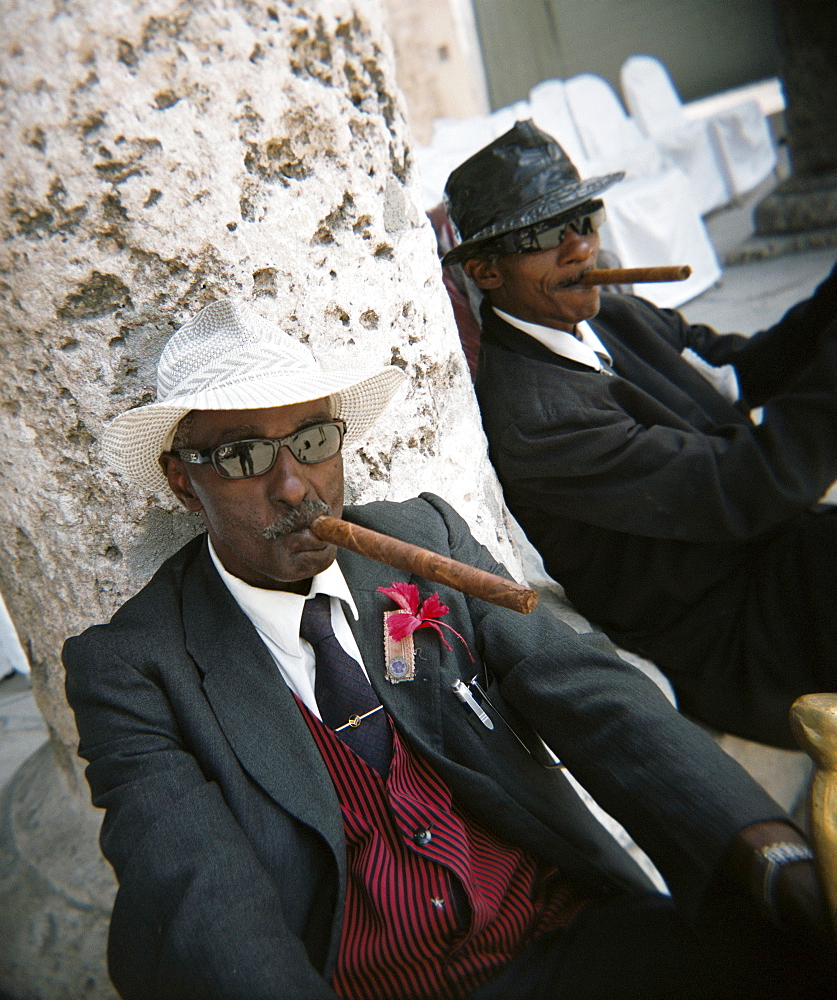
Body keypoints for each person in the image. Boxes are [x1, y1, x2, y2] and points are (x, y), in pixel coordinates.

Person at [63, 298, 832, 1000]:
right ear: (179, 480)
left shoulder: (420, 539)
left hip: (557, 938)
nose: (295, 487)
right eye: (240, 458)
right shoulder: (133, 669)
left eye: (312, 439)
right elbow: (194, 886)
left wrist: (762, 847)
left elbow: (596, 696)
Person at [441, 119, 837, 750]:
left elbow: (742, 368)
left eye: (585, 218)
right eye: (546, 233)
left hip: (775, 556)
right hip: (731, 630)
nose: (579, 247)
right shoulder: (537, 418)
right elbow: (748, 484)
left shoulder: (610, 313)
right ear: (487, 271)